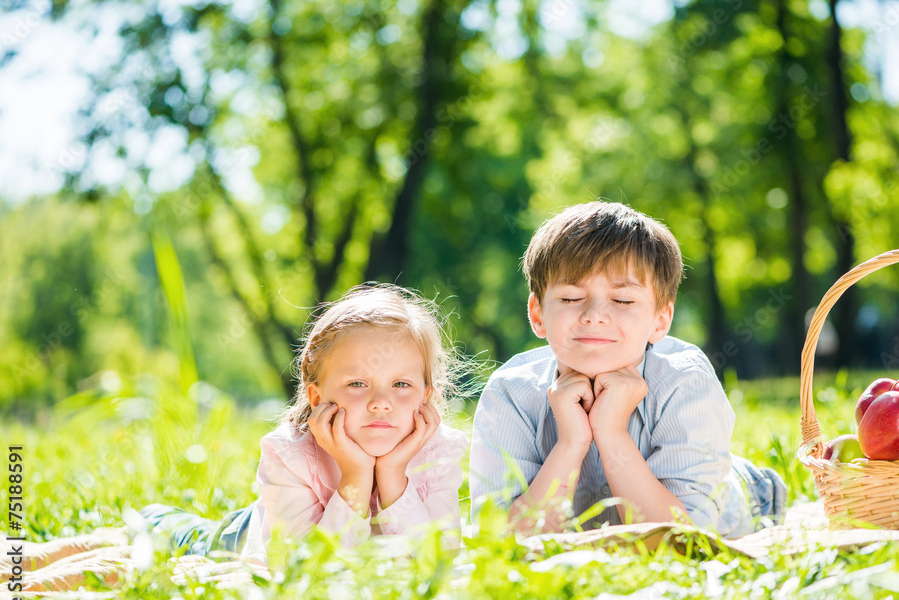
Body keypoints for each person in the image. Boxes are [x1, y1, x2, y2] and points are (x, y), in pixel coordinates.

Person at [469, 202, 786, 537]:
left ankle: (754, 480)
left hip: (724, 501)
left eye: (622, 301)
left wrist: (612, 433)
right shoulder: (510, 392)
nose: (595, 314)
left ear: (660, 321)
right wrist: (571, 443)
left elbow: (682, 542)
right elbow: (503, 542)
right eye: (571, 298)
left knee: (734, 485)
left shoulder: (685, 382)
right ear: (537, 314)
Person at [141, 284, 470, 565]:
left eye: (401, 385)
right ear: (317, 396)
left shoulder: (438, 453)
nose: (381, 402)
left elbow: (441, 559)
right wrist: (355, 476)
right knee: (195, 537)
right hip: (252, 531)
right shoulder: (289, 454)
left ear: (426, 396)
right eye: (357, 384)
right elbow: (304, 569)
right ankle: (154, 518)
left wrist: (393, 476)